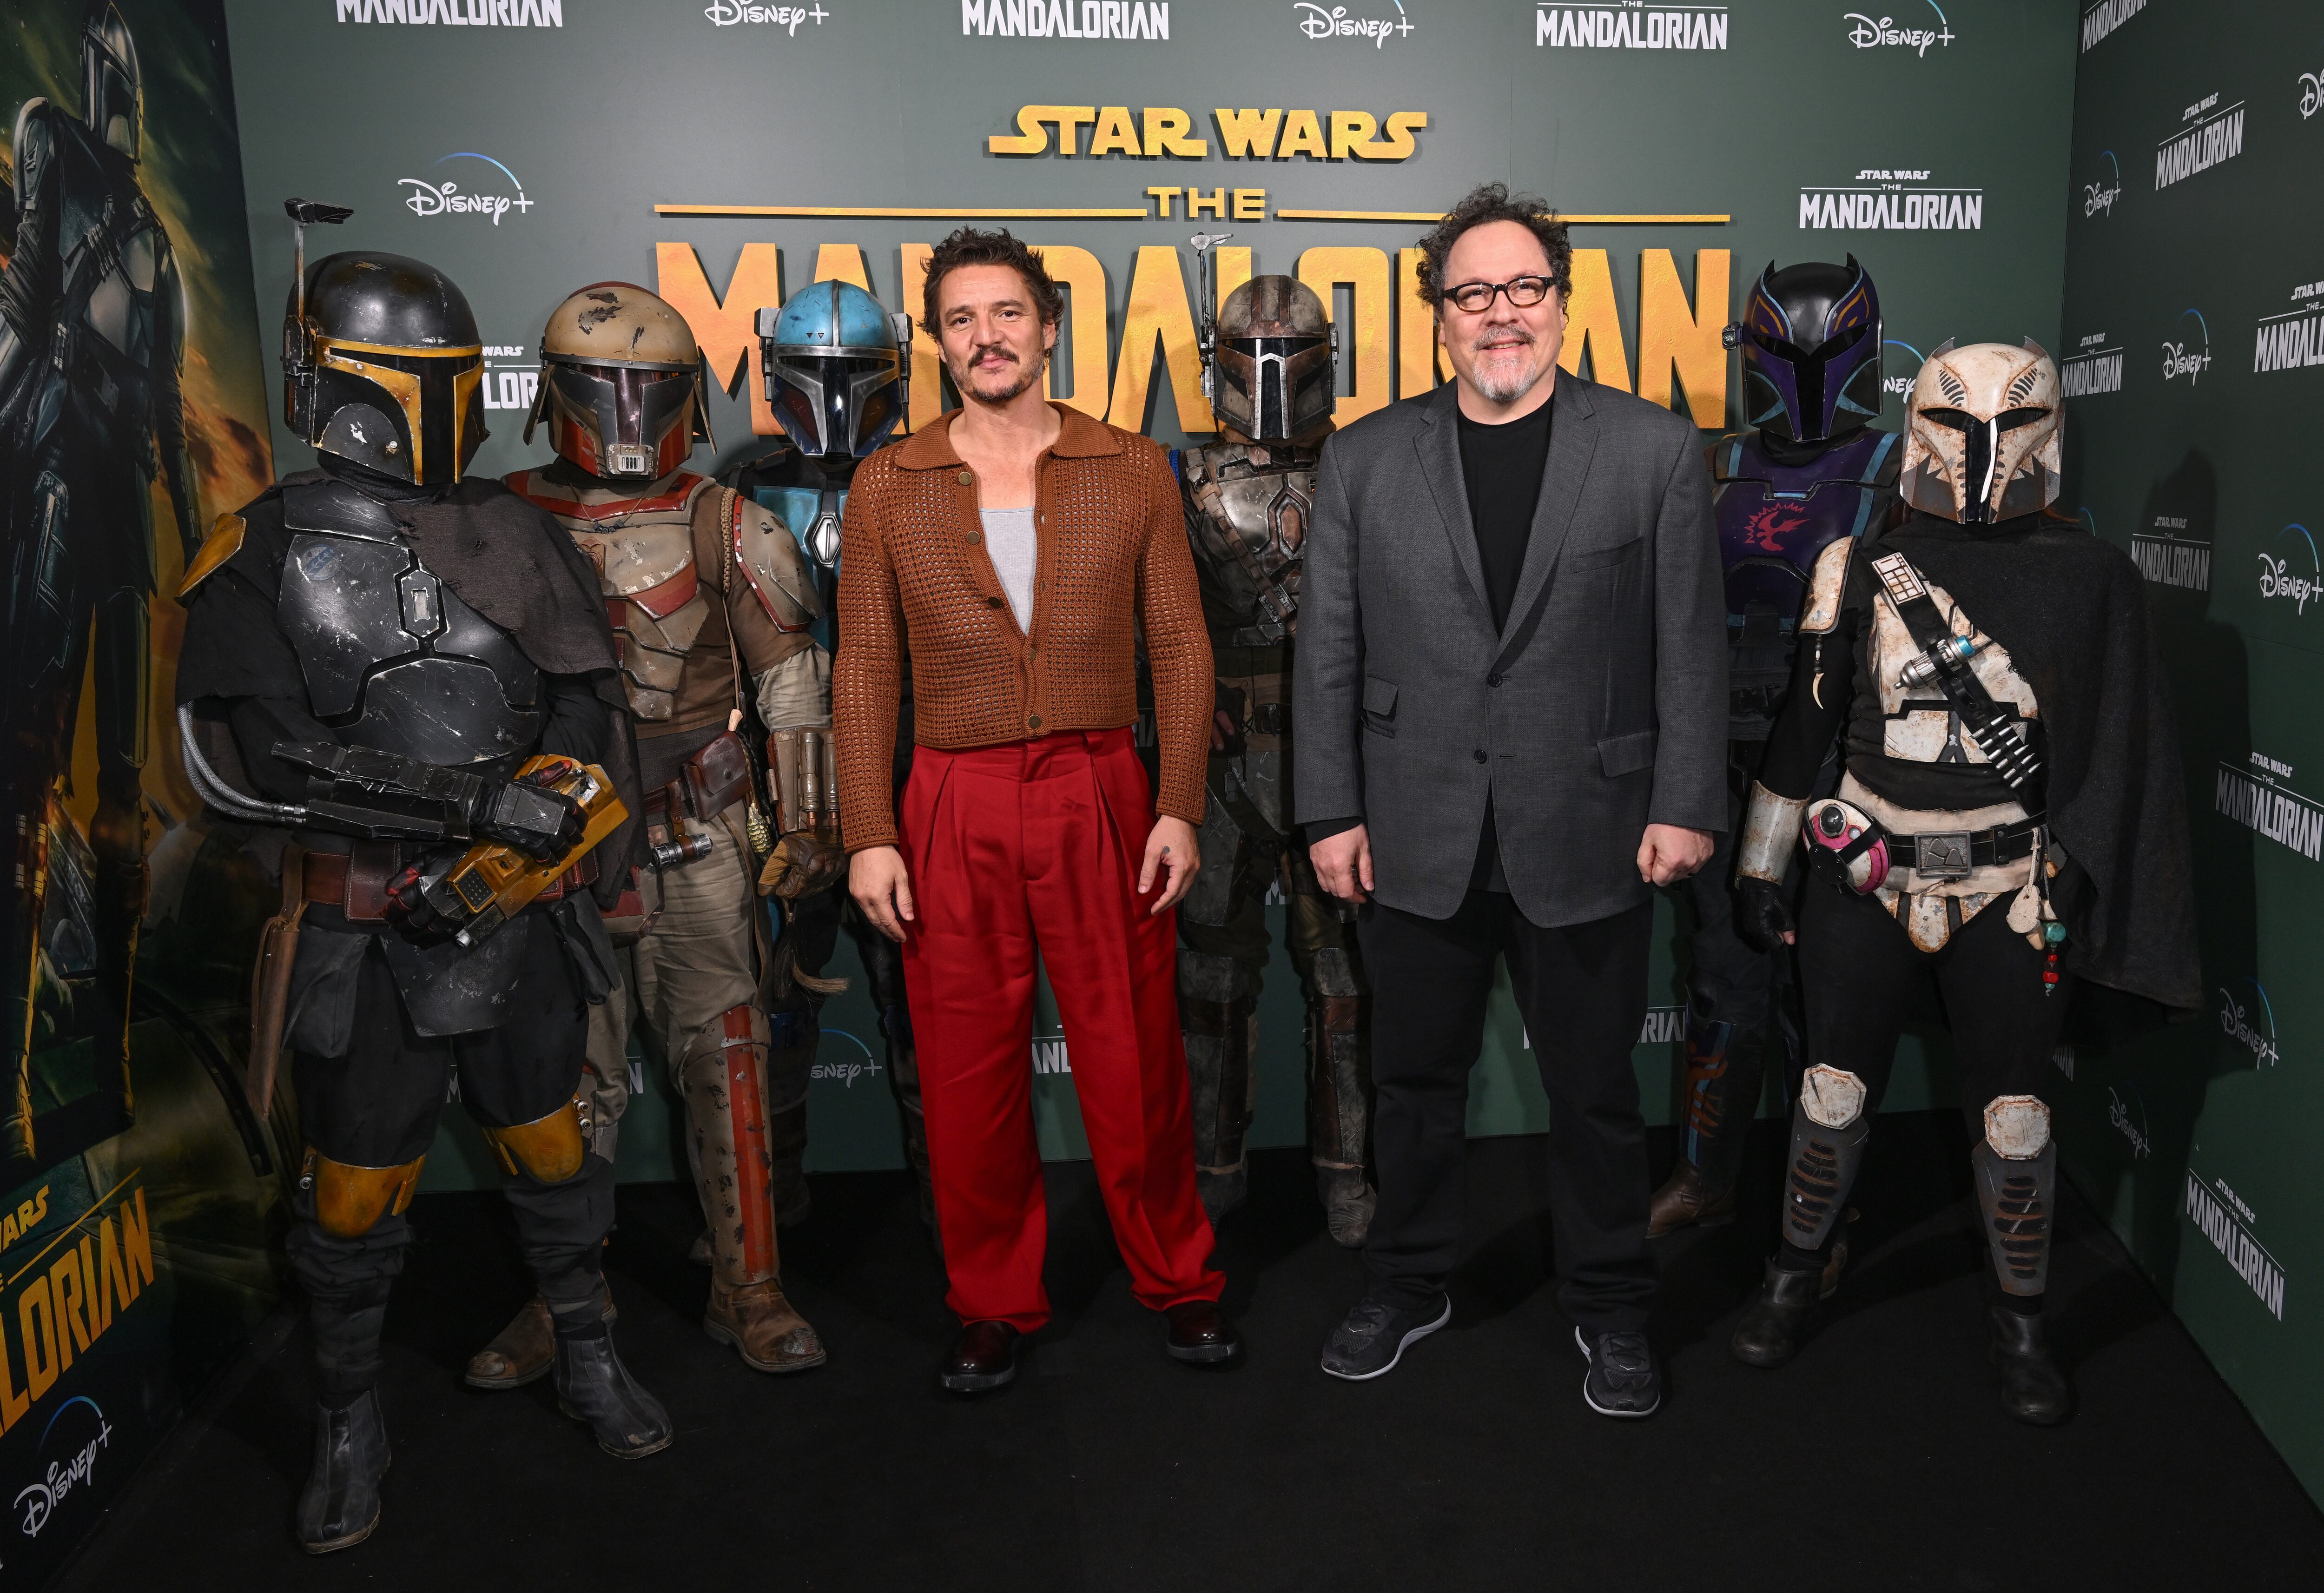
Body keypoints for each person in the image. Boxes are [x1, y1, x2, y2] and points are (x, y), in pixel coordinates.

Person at [175, 227, 669, 1553]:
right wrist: (473, 811)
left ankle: (588, 1351)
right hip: (365, 925)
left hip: (519, 910)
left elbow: (586, 711)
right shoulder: (261, 546)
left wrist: (537, 826)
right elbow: (258, 756)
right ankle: (348, 1420)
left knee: (552, 1149)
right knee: (351, 1196)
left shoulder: (518, 532)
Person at [1295, 184, 1726, 1416]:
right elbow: (1328, 652)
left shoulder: (1651, 450)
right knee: (1412, 1086)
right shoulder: (1364, 457)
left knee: (1595, 1092)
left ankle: (1613, 1303)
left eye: (1523, 287)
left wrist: (1687, 800)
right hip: (1411, 826)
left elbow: (1690, 647)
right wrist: (1329, 811)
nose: (1501, 313)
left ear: (1562, 302)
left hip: (1593, 826)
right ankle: (1408, 1280)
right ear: (1438, 316)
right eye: (1472, 292)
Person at [1725, 339, 2198, 1424]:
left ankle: (2021, 1321)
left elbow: (2119, 755)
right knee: (1830, 1093)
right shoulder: (1854, 566)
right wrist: (1760, 862)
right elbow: (1803, 731)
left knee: (2015, 1115)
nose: (1981, 449)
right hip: (1865, 874)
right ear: (1920, 427)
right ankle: (1794, 1275)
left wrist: (2089, 880)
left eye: (2008, 424)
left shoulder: (2092, 579)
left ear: (2047, 432)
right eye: (1956, 421)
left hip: (2009, 884)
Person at [837, 227, 1237, 1393]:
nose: (987, 337)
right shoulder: (889, 483)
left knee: (1134, 1059)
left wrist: (1178, 802)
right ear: (938, 343)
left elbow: (1181, 646)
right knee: (967, 1073)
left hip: (1099, 787)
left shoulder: (1132, 467)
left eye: (1007, 313)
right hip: (949, 797)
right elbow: (864, 666)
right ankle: (992, 1300)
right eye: (961, 320)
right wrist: (868, 830)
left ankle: (1179, 1278)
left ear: (1049, 326)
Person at [467, 281, 831, 1388]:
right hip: (545, 845)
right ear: (554, 392)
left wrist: (808, 820)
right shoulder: (498, 518)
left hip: (695, 830)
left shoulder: (727, 522)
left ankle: (749, 1285)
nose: (627, 413)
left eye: (651, 387)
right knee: (562, 1076)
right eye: (602, 385)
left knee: (727, 1055)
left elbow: (791, 681)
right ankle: (563, 1295)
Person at [1649, 258, 1901, 1277]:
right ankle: (1707, 1176)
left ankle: (1821, 1212)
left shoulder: (1897, 467)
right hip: (1719, 755)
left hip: (1840, 765)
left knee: (1823, 992)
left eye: (1822, 351)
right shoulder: (1713, 465)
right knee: (1723, 975)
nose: (1801, 372)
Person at [0, 2, 200, 1166]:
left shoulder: (93, 177)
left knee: (58, 783)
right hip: (93, 503)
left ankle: (59, 1088)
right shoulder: (120, 204)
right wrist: (197, 538)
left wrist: (202, 536)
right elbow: (160, 414)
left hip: (81, 500)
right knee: (61, 785)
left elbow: (31, 316)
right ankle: (70, 1081)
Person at [728, 279, 938, 1243]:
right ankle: (771, 1214)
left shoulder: (932, 477)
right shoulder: (740, 489)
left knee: (923, 1002)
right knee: (775, 999)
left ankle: (952, 1208)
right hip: (781, 774)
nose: (838, 398)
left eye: (857, 375)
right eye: (819, 375)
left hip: (907, 767)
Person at [1171, 250, 1373, 1246]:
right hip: (1222, 762)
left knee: (1343, 979)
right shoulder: (1181, 477)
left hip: (1342, 761)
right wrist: (1176, 697)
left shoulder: (1368, 466)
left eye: (1292, 353)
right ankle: (1215, 1167)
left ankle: (1345, 1171)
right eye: (1253, 354)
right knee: (1214, 979)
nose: (1272, 374)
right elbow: (1149, 615)